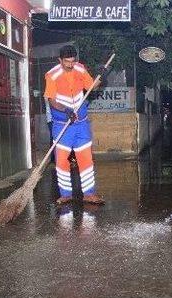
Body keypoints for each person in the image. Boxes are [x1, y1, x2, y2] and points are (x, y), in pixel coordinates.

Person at [44, 44, 104, 205]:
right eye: (66, 62)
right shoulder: (52, 75)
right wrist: (66, 110)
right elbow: (52, 100)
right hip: (62, 124)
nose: (70, 65)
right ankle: (65, 194)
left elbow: (91, 87)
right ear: (60, 60)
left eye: (72, 61)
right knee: (62, 161)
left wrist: (100, 77)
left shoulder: (80, 69)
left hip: (81, 124)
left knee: (86, 160)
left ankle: (89, 194)